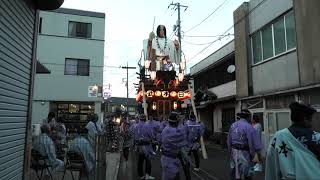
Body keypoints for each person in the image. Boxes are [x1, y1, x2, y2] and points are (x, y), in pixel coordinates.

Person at [265, 102, 320, 180]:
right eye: (311, 119)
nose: (312, 122)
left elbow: (271, 160)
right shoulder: (317, 138)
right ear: (305, 119)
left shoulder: (279, 136)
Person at [227, 109, 263, 180]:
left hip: (234, 153)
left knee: (235, 172)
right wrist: (255, 156)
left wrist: (230, 153)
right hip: (244, 153)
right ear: (248, 117)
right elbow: (254, 145)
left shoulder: (233, 125)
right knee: (246, 174)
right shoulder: (249, 127)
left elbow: (228, 141)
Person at [161, 112, 188, 180]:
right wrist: (181, 122)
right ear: (176, 123)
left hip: (167, 158)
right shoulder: (175, 132)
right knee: (174, 177)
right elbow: (183, 133)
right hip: (170, 159)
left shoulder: (166, 129)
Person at [133, 114, 155, 179]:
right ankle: (147, 175)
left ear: (140, 119)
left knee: (140, 161)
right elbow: (151, 135)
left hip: (139, 146)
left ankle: (141, 175)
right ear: (145, 119)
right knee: (148, 161)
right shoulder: (147, 126)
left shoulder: (136, 126)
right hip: (147, 146)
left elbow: (134, 136)